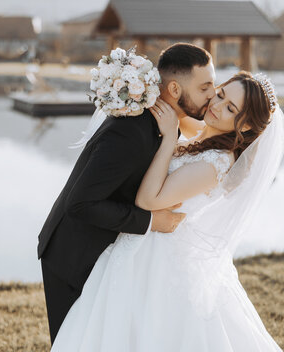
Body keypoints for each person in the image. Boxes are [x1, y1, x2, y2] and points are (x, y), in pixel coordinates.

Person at [50, 70, 284, 351]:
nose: (217, 106)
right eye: (220, 94)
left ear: (246, 126)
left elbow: (148, 200)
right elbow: (176, 99)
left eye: (230, 108)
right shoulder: (202, 135)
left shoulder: (217, 163)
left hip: (160, 257)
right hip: (141, 245)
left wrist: (166, 140)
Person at [37, 43, 217, 344]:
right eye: (205, 86)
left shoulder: (160, 124)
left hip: (105, 254)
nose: (212, 93)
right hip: (73, 256)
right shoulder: (131, 132)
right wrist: (150, 221)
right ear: (174, 89)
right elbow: (80, 204)